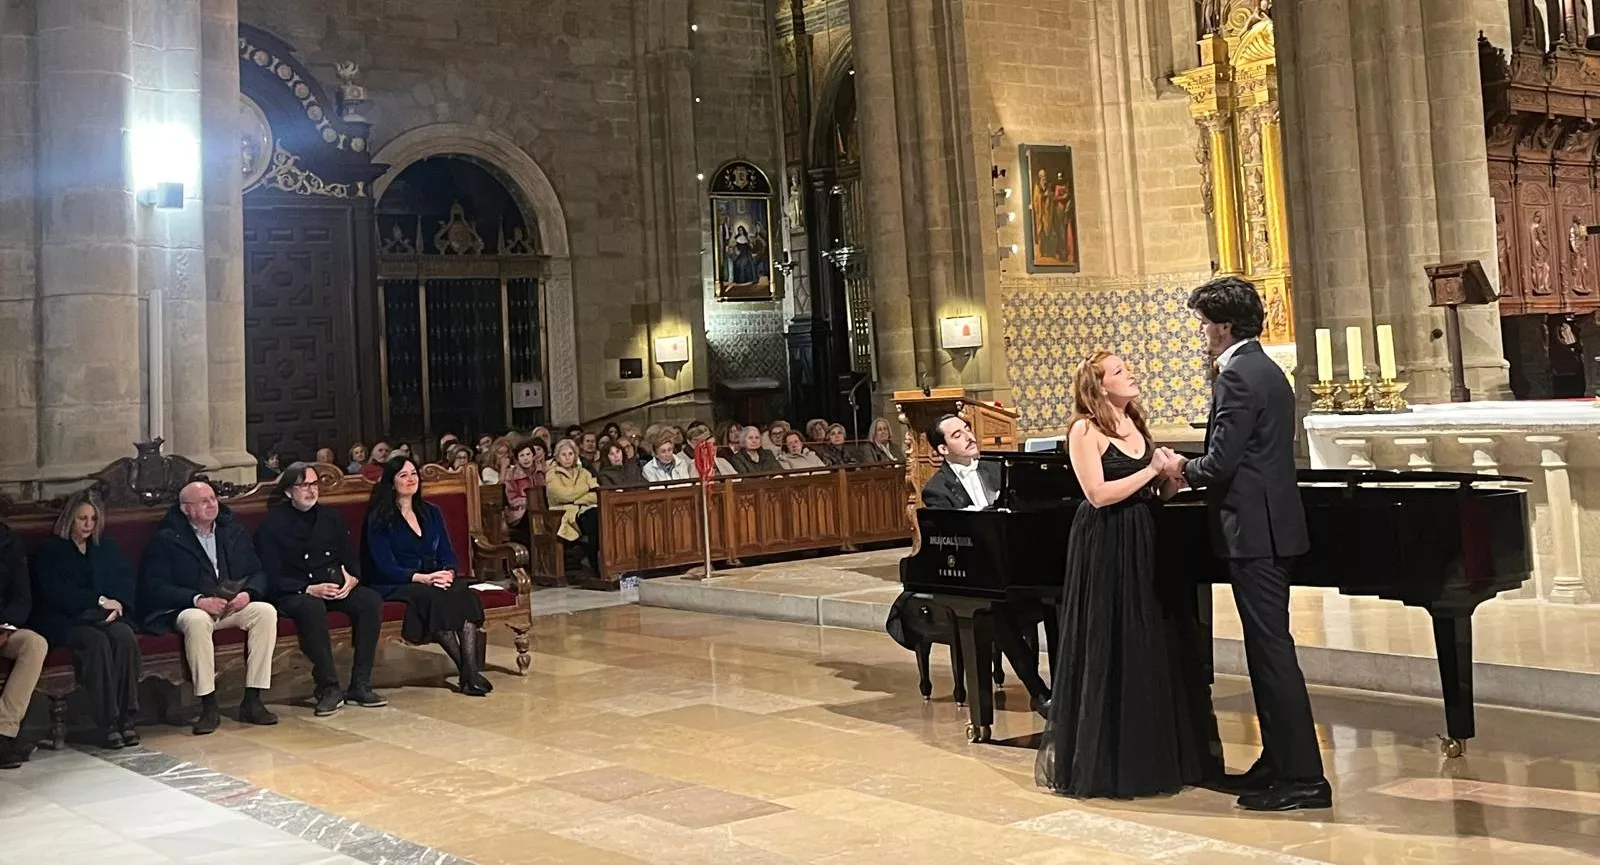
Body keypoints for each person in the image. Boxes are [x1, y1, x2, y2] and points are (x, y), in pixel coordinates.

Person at [1163, 276, 1329, 811]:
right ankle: (1278, 761)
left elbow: (1219, 464)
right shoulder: (1269, 370)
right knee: (1268, 650)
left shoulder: (1236, 377)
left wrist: (1177, 466)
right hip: (1273, 527)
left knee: (1271, 653)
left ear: (1225, 325)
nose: (1204, 334)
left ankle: (1303, 776)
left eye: (1206, 324)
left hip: (1253, 533)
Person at [1035, 352, 1213, 799]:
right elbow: (1096, 494)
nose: (1130, 374)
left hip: (1147, 537)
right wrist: (1151, 471)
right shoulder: (1084, 430)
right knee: (1115, 638)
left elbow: (1156, 489)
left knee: (1153, 638)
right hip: (1107, 540)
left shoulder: (1136, 422)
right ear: (1098, 386)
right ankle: (1114, 762)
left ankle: (1161, 754)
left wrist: (1169, 478)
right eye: (1118, 371)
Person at [921, 415, 1050, 711]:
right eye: (957, 434)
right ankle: (1039, 692)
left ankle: (1072, 685)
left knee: (1061, 601)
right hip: (973, 577)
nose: (969, 436)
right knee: (996, 613)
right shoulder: (937, 491)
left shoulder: (998, 469)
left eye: (967, 429)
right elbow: (953, 544)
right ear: (943, 449)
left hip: (1015, 568)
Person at [140, 481, 280, 734]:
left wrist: (249, 594)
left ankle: (253, 699)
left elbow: (258, 571)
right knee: (196, 620)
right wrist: (197, 599)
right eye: (203, 501)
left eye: (213, 498)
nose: (212, 504)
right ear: (185, 509)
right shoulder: (168, 539)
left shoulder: (232, 531)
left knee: (265, 612)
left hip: (231, 606)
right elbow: (154, 586)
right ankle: (208, 705)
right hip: (190, 608)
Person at [256, 463, 388, 716]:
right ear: (288, 492)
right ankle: (329, 687)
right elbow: (270, 575)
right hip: (295, 592)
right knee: (311, 607)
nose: (311, 490)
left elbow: (349, 557)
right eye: (304, 485)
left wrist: (352, 579)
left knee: (369, 600)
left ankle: (360, 684)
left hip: (333, 587)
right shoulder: (272, 526)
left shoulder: (331, 518)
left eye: (314, 484)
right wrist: (308, 588)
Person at [364, 456, 491, 697]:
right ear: (392, 483)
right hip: (398, 581)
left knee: (462, 595)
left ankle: (469, 673)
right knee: (432, 599)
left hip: (434, 577)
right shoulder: (380, 519)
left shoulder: (432, 512)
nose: (411, 479)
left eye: (414, 473)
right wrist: (423, 578)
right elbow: (383, 565)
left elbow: (447, 551)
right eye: (403, 475)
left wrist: (448, 572)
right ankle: (470, 672)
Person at [30, 491, 142, 748]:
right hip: (67, 619)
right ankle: (108, 722)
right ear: (70, 519)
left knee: (124, 636)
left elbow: (124, 581)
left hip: (103, 617)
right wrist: (99, 601)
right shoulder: (51, 550)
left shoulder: (105, 547)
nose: (88, 525)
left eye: (93, 519)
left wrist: (118, 606)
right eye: (82, 518)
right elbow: (55, 592)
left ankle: (127, 718)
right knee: (96, 642)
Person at [0, 518, 46, 768]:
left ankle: (3, 731)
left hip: (3, 628)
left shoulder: (9, 542)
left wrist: (6, 626)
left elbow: (22, 597)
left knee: (34, 644)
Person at [546, 439, 600, 570]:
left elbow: (596, 494)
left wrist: (577, 500)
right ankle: (595, 564)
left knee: (600, 518)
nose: (567, 458)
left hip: (582, 509)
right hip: (563, 513)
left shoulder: (584, 472)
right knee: (592, 520)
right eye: (563, 455)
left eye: (570, 454)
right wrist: (584, 490)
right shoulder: (552, 474)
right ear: (557, 457)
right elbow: (563, 495)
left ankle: (602, 562)